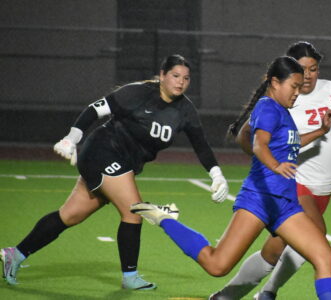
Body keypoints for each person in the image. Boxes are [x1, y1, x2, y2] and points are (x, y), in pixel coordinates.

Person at [0, 54, 229, 290]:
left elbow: (200, 144)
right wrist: (71, 138)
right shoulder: (137, 93)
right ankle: (130, 277)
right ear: (162, 76)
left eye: (186, 78)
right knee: (134, 211)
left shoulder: (185, 110)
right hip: (102, 151)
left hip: (123, 163)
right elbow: (95, 109)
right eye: (175, 76)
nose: (181, 82)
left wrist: (216, 174)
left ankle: (14, 255)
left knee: (69, 215)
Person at [130, 56, 331, 300]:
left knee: (324, 257)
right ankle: (164, 218)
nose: (297, 92)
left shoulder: (283, 111)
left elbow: (290, 144)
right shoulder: (267, 108)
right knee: (217, 265)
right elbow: (259, 145)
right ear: (275, 83)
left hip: (285, 204)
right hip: (260, 199)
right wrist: (276, 166)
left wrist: (321, 131)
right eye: (293, 86)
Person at [210, 41, 331, 300]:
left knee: (276, 250)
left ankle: (227, 296)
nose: (309, 75)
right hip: (295, 183)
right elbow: (246, 136)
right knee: (319, 242)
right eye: (303, 69)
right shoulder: (283, 97)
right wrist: (270, 163)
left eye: (314, 68)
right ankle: (267, 293)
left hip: (324, 189)